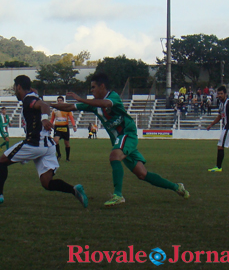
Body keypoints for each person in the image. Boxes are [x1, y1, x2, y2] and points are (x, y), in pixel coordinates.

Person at [51, 72, 189, 207]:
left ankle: (118, 195)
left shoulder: (113, 96)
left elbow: (105, 104)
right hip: (120, 139)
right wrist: (49, 106)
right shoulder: (94, 105)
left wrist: (81, 99)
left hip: (127, 133)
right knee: (142, 174)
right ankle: (177, 187)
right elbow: (70, 107)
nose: (91, 90)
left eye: (93, 87)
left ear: (102, 86)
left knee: (114, 156)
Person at [0, 75, 88, 208]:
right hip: (48, 146)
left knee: (1, 162)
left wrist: (44, 118)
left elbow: (43, 105)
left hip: (35, 143)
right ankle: (74, 190)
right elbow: (41, 100)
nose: (15, 91)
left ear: (19, 87)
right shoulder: (32, 96)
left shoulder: (29, 99)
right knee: (47, 183)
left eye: (15, 88)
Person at [50, 96, 77, 161]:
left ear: (63, 101)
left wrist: (74, 125)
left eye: (60, 100)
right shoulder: (54, 110)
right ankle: (59, 154)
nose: (59, 102)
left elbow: (71, 118)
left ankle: (67, 158)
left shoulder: (67, 109)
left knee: (67, 143)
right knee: (55, 141)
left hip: (65, 127)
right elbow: (52, 119)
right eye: (58, 101)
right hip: (57, 127)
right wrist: (50, 126)